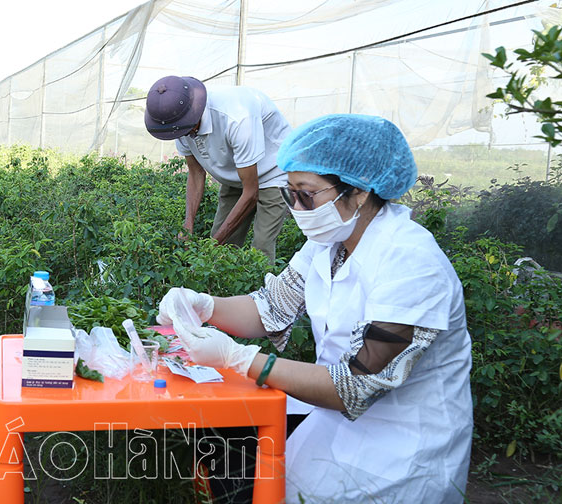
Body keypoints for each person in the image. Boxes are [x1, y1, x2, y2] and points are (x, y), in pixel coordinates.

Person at [157, 114, 473, 503]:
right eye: (289, 192)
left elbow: (356, 385)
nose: (296, 206)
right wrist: (204, 306)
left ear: (358, 190)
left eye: (307, 193)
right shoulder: (331, 241)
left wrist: (242, 360)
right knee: (240, 459)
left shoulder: (411, 263)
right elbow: (270, 307)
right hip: (333, 420)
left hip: (401, 449)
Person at [144, 76, 291, 262]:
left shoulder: (236, 117)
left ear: (194, 113)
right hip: (237, 174)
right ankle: (222, 291)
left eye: (187, 130)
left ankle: (263, 289)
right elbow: (196, 174)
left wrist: (213, 245)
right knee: (223, 245)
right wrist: (187, 225)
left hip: (273, 172)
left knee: (260, 250)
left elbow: (251, 192)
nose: (185, 136)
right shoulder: (179, 123)